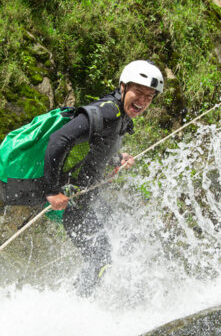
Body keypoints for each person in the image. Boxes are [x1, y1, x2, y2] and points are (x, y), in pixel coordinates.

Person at [44, 60, 164, 295]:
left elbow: (96, 149)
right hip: (75, 204)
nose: (142, 101)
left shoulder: (120, 116)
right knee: (102, 258)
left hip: (86, 201)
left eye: (149, 97)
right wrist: (51, 190)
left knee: (117, 246)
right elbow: (59, 140)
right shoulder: (108, 112)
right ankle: (77, 305)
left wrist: (117, 159)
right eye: (137, 92)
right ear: (122, 87)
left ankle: (76, 298)